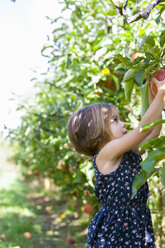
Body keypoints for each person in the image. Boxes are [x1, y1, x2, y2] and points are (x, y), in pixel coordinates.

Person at [67, 77, 165, 248]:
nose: (123, 123)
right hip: (117, 230)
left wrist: (153, 92)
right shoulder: (105, 154)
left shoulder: (126, 153)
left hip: (136, 224)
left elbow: (153, 131)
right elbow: (144, 128)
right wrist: (162, 92)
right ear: (96, 133)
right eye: (114, 120)